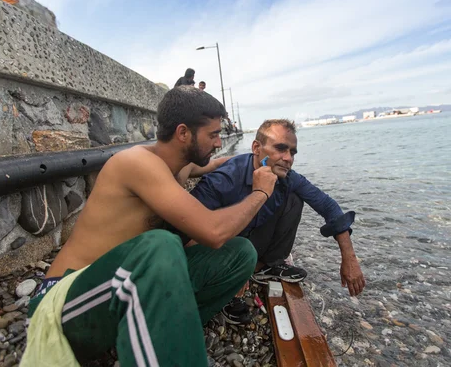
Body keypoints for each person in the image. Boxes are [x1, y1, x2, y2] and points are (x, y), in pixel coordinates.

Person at [21, 87, 278, 366]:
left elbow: (217, 163)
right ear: (183, 133)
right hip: (66, 302)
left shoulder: (180, 166)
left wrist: (257, 159)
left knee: (241, 252)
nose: (219, 142)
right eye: (213, 134)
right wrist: (260, 193)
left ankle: (169, 335)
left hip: (122, 293)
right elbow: (213, 233)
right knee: (162, 245)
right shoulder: (137, 163)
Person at [188, 119, 365, 324]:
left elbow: (327, 205)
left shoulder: (287, 176)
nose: (288, 158)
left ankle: (264, 266)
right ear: (256, 148)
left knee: (294, 197)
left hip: (251, 239)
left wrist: (349, 258)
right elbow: (188, 234)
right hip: (222, 245)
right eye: (280, 149)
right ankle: (231, 281)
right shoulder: (224, 179)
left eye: (292, 152)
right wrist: (228, 266)